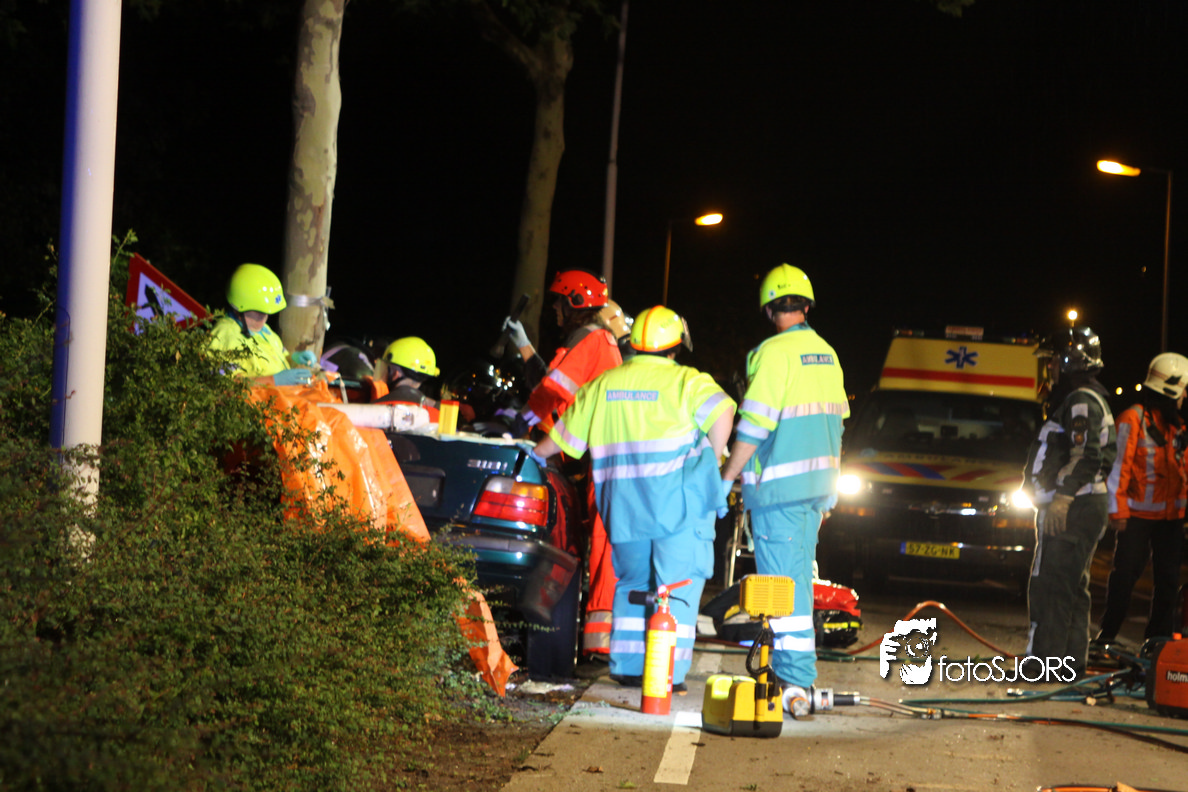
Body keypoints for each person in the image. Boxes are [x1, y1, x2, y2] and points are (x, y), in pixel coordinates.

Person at [532, 306, 735, 689]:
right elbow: (723, 411)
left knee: (632, 585)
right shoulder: (687, 381)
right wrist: (713, 455)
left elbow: (560, 441)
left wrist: (531, 454)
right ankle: (666, 675)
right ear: (675, 347)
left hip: (624, 510)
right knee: (676, 587)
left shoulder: (604, 385)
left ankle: (627, 665)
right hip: (677, 507)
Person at [719, 263, 849, 695]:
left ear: (769, 309)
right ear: (807, 306)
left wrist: (728, 475)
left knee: (782, 590)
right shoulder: (828, 354)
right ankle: (797, 674)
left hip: (779, 492)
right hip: (817, 491)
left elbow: (755, 423)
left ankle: (794, 679)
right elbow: (838, 425)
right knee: (798, 583)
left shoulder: (772, 354)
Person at [504, 270, 624, 667]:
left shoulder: (589, 340)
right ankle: (590, 642)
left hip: (597, 456)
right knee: (594, 545)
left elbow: (553, 390)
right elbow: (554, 392)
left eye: (559, 301)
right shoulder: (595, 341)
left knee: (599, 545)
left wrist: (521, 419)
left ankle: (598, 645)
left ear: (575, 303)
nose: (554, 308)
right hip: (594, 455)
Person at [1023, 326, 1116, 677]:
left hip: (1074, 508)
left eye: (1052, 361)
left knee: (1051, 587)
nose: (1049, 368)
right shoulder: (1084, 398)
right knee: (1072, 590)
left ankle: (1044, 666)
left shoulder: (1081, 400)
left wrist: (1061, 499)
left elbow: (1086, 455)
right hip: (1083, 506)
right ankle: (1068, 667)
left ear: (1069, 361)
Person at [1095, 352, 1188, 647]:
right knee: (1125, 576)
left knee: (1168, 583)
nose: (1186, 395)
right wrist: (1117, 511)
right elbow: (1118, 468)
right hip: (1135, 517)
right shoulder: (1133, 419)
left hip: (1171, 520)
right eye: (1183, 389)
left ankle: (1156, 643)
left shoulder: (1177, 426)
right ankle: (1107, 636)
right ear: (1171, 389)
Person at [208, 263, 314, 386]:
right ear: (237, 308)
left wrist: (293, 358)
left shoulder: (263, 330)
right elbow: (222, 385)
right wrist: (273, 381)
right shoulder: (224, 337)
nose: (264, 317)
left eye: (267, 312)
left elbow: (274, 362)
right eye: (259, 312)